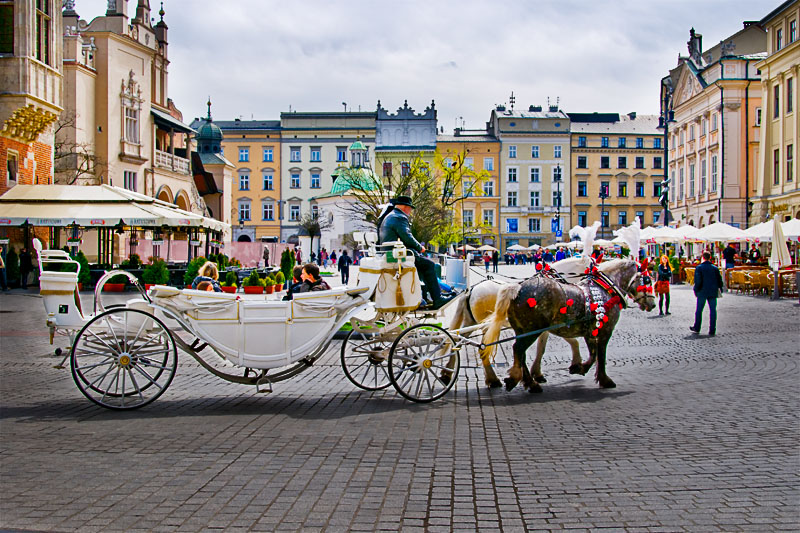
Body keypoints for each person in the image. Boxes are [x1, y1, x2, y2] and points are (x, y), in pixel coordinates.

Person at [379, 196, 454, 310]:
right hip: (400, 256)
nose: (410, 211)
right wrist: (420, 247)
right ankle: (437, 299)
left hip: (391, 253)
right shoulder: (399, 217)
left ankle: (428, 295)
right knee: (429, 265)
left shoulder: (390, 216)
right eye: (410, 208)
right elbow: (407, 237)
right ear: (405, 207)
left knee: (423, 266)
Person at [690, 251, 724, 337]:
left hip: (702, 291)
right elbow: (719, 280)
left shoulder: (699, 268)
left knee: (699, 310)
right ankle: (712, 329)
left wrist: (696, 289)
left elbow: (698, 280)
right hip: (713, 291)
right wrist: (720, 287)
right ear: (710, 258)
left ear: (703, 257)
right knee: (713, 310)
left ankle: (697, 327)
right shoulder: (715, 268)